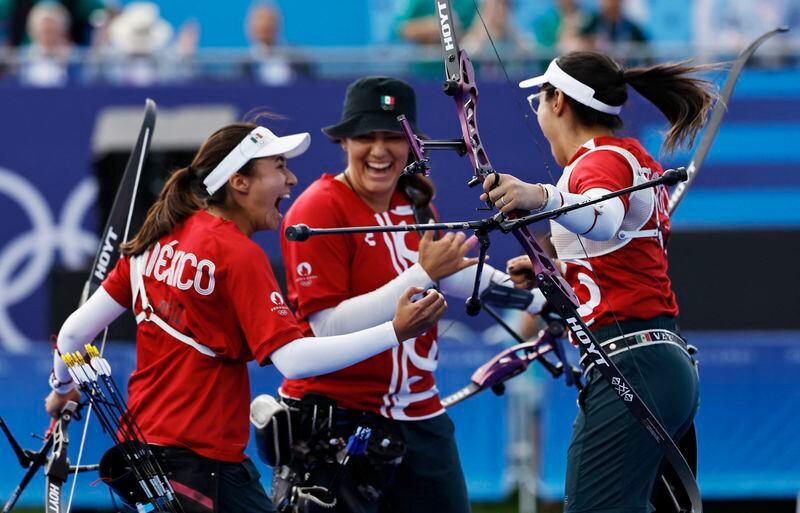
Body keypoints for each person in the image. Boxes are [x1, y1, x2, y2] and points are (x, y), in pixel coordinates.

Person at [44, 121, 447, 513]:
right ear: (239, 182)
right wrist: (395, 331)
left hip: (147, 458)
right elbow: (293, 358)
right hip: (205, 468)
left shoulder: (158, 238)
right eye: (279, 168)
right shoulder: (237, 254)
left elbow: (73, 333)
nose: (291, 180)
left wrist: (62, 388)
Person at [277, 76, 545, 513]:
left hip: (419, 412)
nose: (380, 151)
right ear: (344, 142)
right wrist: (421, 274)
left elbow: (453, 275)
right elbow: (324, 327)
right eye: (367, 137)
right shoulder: (318, 207)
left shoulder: (415, 203)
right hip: (342, 418)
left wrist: (540, 302)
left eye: (393, 138)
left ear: (413, 146)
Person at [479, 50, 713, 513]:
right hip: (657, 365)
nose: (540, 114)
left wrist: (537, 195)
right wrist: (559, 273)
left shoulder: (599, 161)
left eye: (540, 102)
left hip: (633, 365)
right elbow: (619, 254)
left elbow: (605, 218)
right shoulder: (627, 158)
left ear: (558, 102)